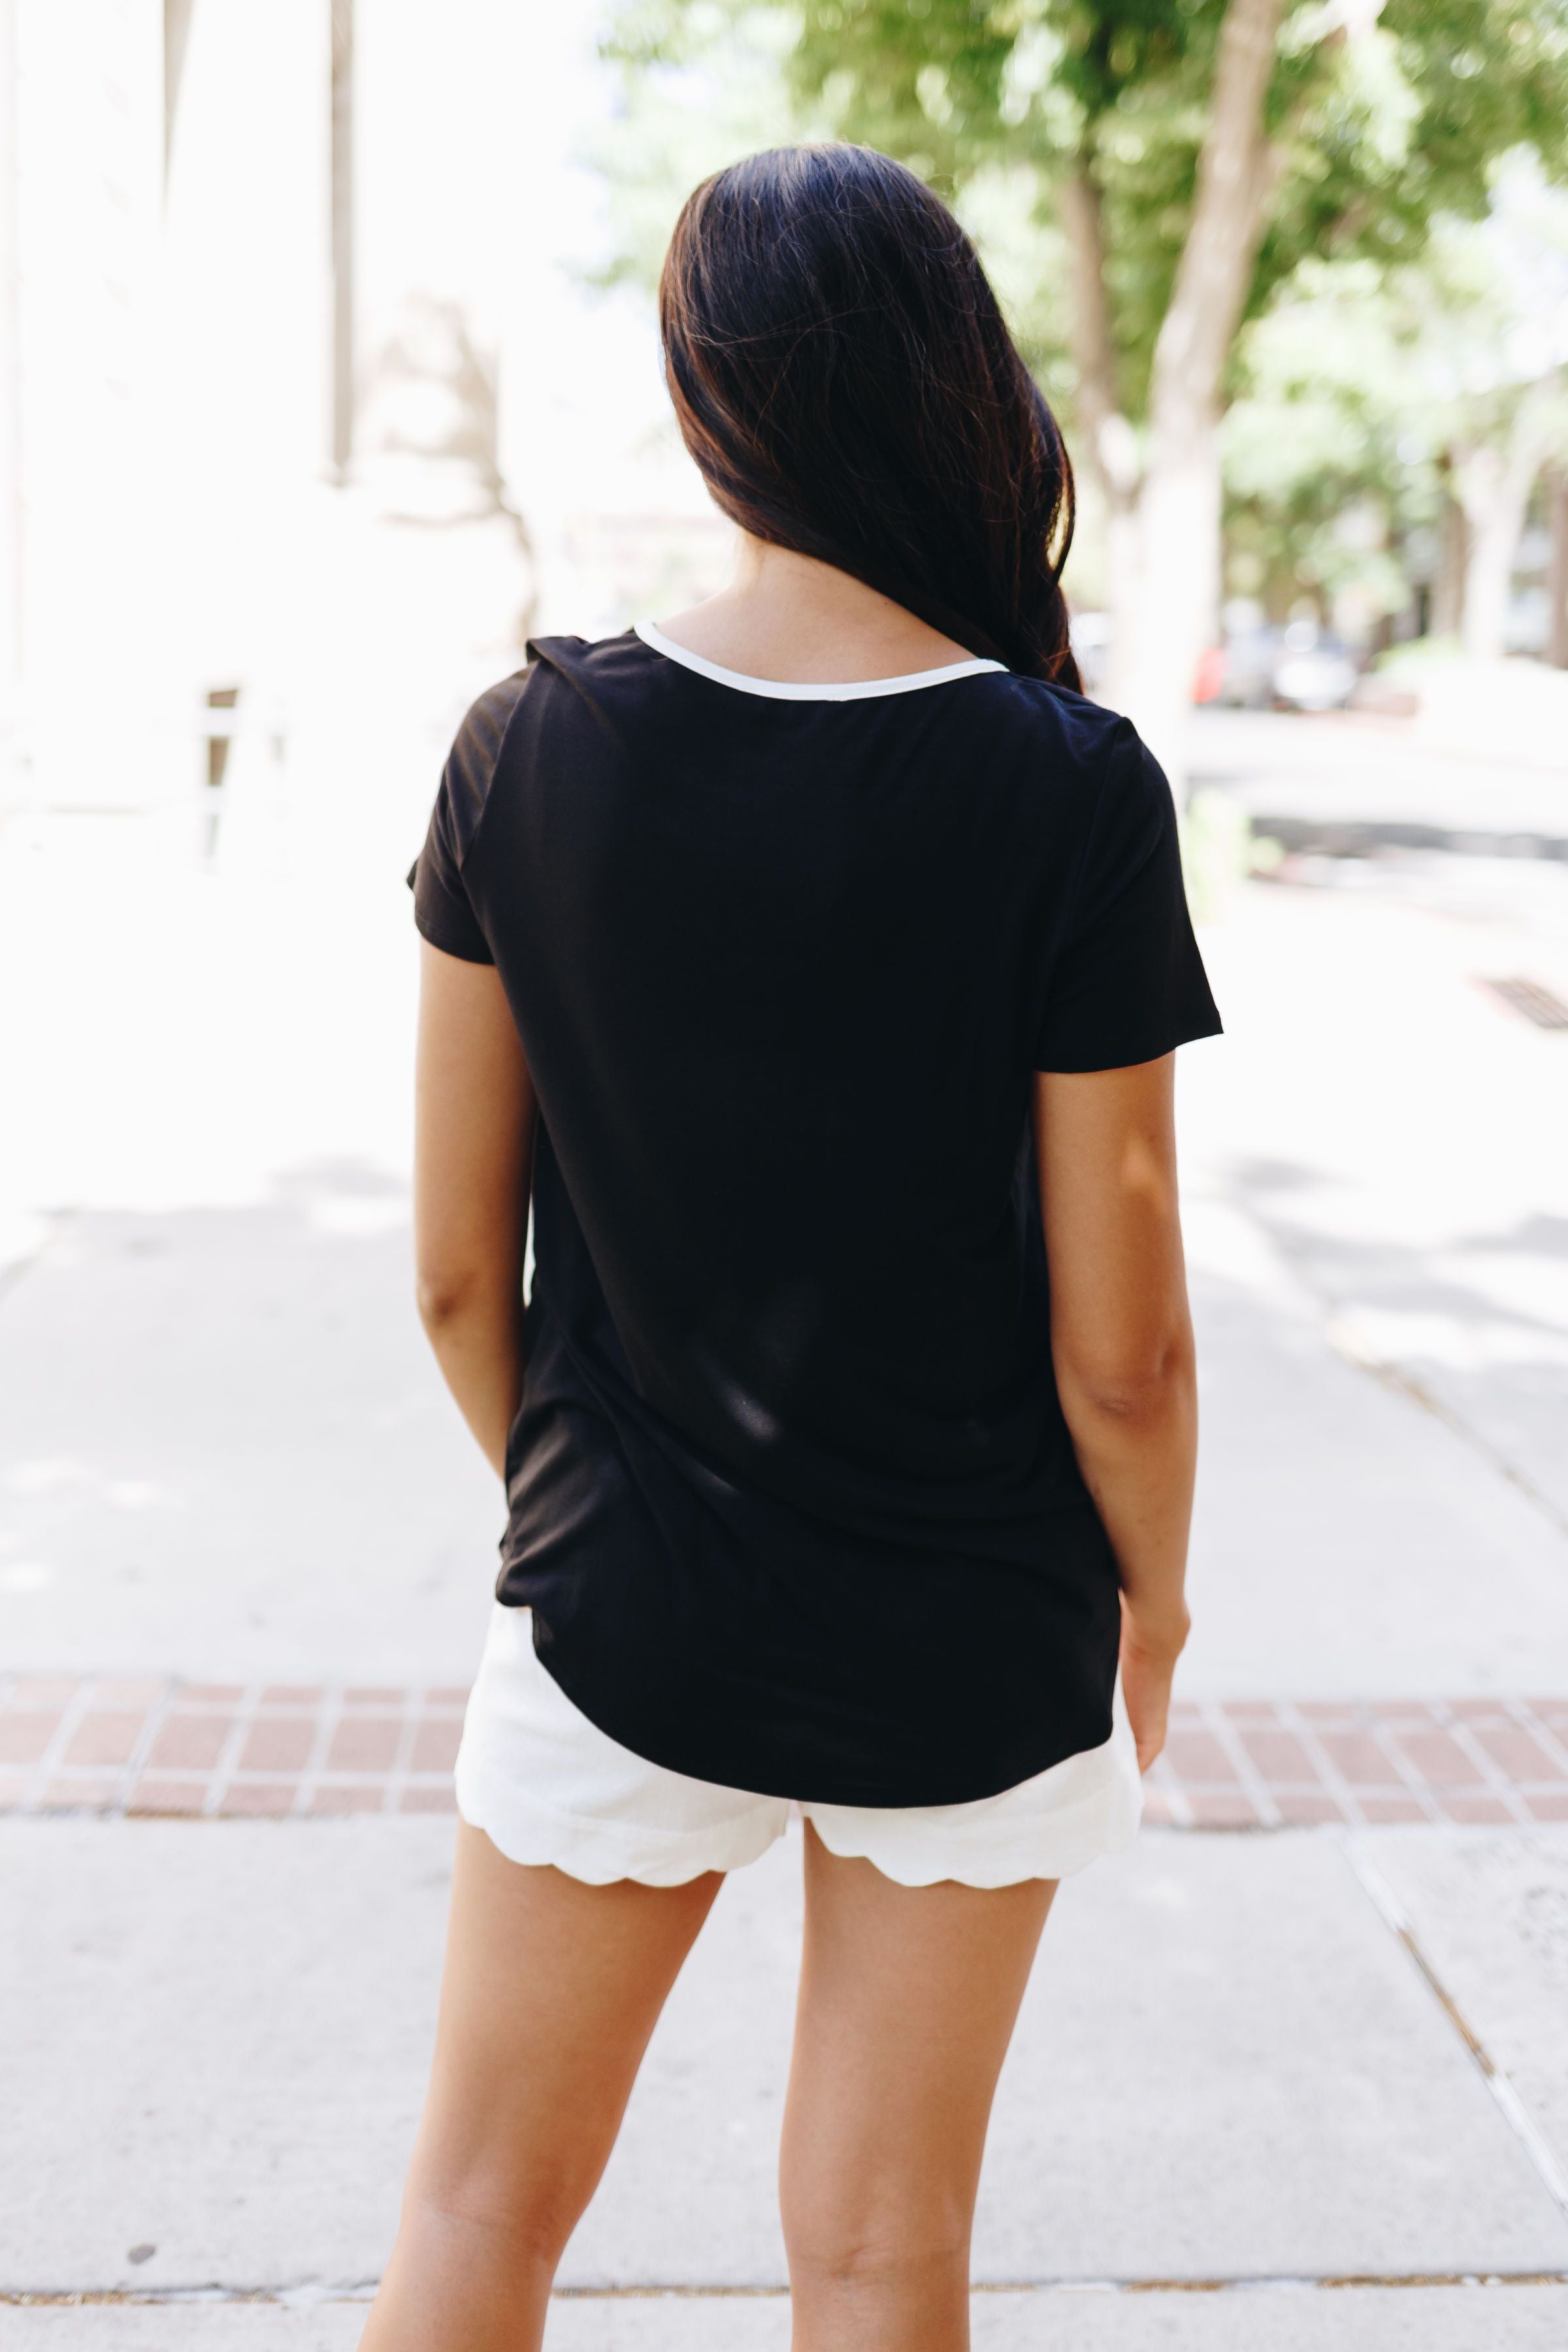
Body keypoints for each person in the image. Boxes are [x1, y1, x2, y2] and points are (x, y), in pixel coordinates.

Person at [361, 142, 1220, 2352]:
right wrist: (1154, 1601)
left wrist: (586, 1493)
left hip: (624, 1606)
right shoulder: (1073, 786)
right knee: (880, 2251)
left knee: (475, 2216)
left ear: (701, 402)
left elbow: (454, 1271)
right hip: (978, 1633)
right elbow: (1126, 1351)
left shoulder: (527, 748)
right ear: (955, 383)